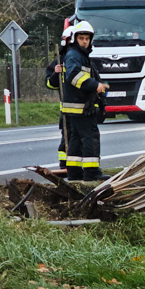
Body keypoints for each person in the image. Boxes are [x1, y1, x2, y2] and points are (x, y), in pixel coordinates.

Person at [62, 21, 108, 182]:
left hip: (75, 106)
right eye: (81, 38)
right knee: (90, 136)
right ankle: (91, 172)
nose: (84, 41)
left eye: (87, 39)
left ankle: (74, 172)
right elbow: (74, 76)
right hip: (81, 106)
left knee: (76, 138)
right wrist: (95, 85)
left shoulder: (79, 55)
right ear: (75, 39)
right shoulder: (75, 55)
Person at [45, 25, 73, 170]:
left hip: (84, 109)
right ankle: (64, 165)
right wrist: (56, 74)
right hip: (67, 109)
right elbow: (49, 84)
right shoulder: (58, 62)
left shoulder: (84, 59)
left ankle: (78, 167)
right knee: (67, 138)